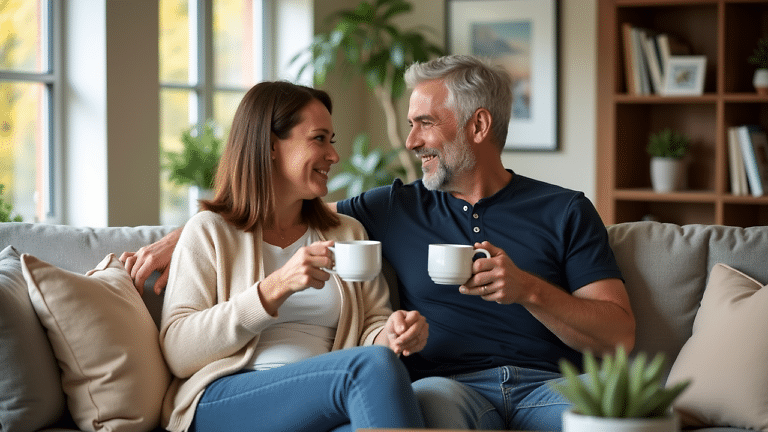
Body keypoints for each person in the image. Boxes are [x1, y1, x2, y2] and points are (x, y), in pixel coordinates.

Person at [123, 55, 635, 431]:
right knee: (416, 399)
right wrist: (182, 236)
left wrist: (529, 290)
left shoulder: (564, 210)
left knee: (621, 421)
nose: (410, 141)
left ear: (479, 125)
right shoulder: (392, 207)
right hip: (446, 387)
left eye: (424, 123)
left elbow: (620, 337)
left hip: (549, 385)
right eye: (411, 125)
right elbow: (267, 212)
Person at [152, 81, 428, 432]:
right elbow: (179, 352)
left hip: (324, 401)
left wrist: (392, 334)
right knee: (367, 367)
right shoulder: (209, 231)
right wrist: (275, 287)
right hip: (227, 396)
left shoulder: (347, 233)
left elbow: (372, 327)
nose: (334, 156)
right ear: (270, 146)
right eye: (319, 139)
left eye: (332, 140)